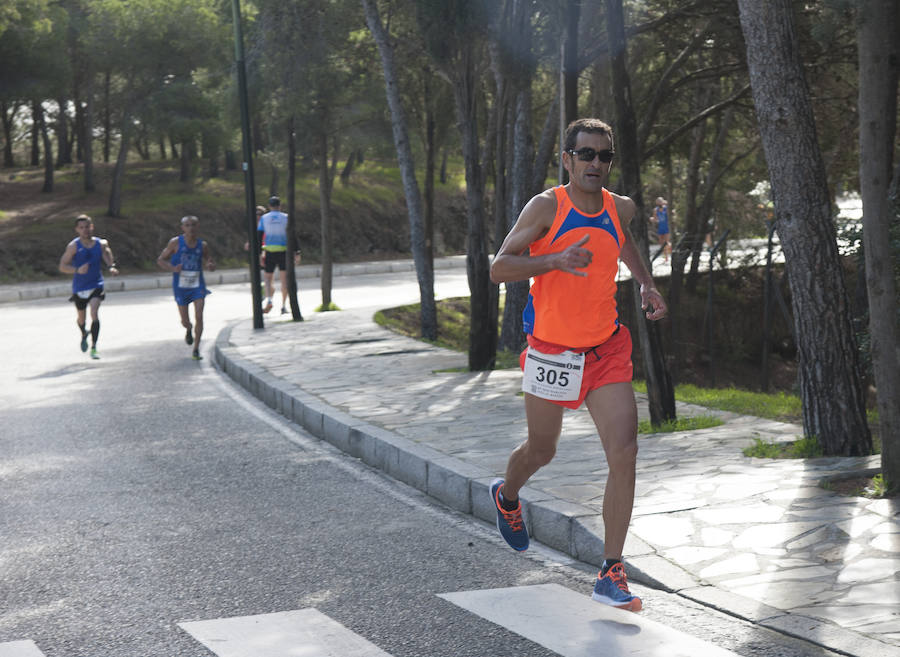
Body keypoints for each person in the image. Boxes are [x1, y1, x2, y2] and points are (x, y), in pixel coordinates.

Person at [489, 118, 668, 613]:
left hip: (606, 349)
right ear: (566, 159)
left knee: (625, 450)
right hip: (551, 353)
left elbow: (622, 238)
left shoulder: (620, 206)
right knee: (542, 450)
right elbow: (499, 266)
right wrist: (552, 260)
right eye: (585, 154)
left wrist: (646, 282)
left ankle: (611, 571)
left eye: (603, 156)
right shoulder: (547, 207)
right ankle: (507, 495)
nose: (595, 164)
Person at [58, 214, 119, 359]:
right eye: (81, 228)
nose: (85, 230)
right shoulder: (73, 246)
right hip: (79, 287)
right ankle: (84, 332)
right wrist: (77, 270)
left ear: (92, 227)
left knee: (94, 312)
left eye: (87, 227)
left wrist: (111, 266)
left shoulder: (100, 243)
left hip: (96, 283)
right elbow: (62, 266)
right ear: (77, 230)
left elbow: (106, 252)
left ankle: (94, 347)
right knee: (81, 319)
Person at [157, 215, 215, 360]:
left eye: (193, 225)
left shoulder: (203, 245)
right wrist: (172, 268)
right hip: (181, 286)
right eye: (187, 225)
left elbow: (209, 260)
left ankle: (196, 349)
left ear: (198, 226)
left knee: (199, 316)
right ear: (182, 228)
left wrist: (210, 265)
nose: (191, 228)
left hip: (197, 285)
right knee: (185, 320)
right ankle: (188, 328)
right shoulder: (175, 243)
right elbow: (160, 260)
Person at [257, 196, 295, 315]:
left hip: (269, 251)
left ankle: (269, 299)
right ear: (280, 206)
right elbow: (292, 235)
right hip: (283, 251)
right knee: (284, 280)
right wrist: (296, 252)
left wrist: (259, 255)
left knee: (268, 278)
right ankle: (283, 306)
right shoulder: (286, 217)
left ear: (269, 206)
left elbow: (259, 237)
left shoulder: (264, 218)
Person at [651, 196, 671, 262]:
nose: (659, 203)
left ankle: (668, 255)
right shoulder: (655, 210)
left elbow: (669, 205)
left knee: (667, 242)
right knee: (661, 243)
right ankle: (665, 256)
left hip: (666, 227)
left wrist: (664, 202)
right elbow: (656, 219)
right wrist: (653, 219)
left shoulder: (666, 208)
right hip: (660, 227)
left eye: (660, 201)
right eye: (658, 201)